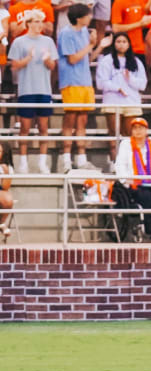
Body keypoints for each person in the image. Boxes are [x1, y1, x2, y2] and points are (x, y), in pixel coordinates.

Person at [58, 3, 110, 173]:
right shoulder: (66, 33)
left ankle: (81, 158)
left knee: (82, 120)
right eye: (87, 15)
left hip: (85, 80)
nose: (90, 18)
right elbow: (72, 59)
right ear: (79, 17)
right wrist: (90, 45)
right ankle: (65, 158)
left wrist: (99, 46)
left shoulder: (84, 33)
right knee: (70, 118)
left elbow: (87, 59)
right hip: (71, 81)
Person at [8, 9, 58, 175]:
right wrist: (27, 59)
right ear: (28, 23)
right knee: (25, 128)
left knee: (44, 127)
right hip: (26, 89)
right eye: (35, 21)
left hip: (44, 89)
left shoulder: (48, 41)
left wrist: (48, 61)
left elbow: (53, 66)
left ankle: (42, 163)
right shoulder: (19, 42)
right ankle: (23, 163)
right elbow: (14, 65)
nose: (39, 25)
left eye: (40, 21)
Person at [114, 117, 151, 240]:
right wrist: (126, 180)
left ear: (146, 131)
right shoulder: (126, 144)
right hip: (134, 183)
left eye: (141, 128)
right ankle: (149, 226)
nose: (138, 131)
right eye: (135, 128)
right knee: (145, 195)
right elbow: (120, 165)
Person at [96, 32, 148, 163]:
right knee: (114, 135)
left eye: (124, 42)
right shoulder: (106, 61)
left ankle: (130, 164)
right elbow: (101, 82)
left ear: (129, 44)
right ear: (114, 44)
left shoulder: (136, 62)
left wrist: (129, 79)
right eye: (118, 41)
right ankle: (115, 164)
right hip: (112, 101)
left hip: (131, 101)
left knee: (129, 135)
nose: (121, 44)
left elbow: (143, 84)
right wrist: (117, 88)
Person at [111, 0, 151, 65]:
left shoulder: (140, 1)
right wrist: (139, 24)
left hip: (140, 49)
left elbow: (142, 23)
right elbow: (116, 28)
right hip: (125, 49)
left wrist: (145, 22)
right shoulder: (118, 2)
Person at [0, 143, 14, 240]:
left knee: (8, 199)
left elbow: (5, 187)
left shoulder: (7, 167)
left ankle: (1, 223)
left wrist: (6, 173)